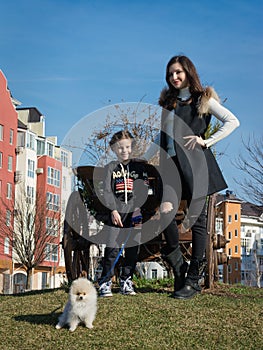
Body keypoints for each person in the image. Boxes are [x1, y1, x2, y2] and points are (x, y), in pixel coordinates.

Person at [145, 55, 240, 299]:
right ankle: (179, 267)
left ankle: (194, 280)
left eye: (178, 72)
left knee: (197, 222)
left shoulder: (203, 99)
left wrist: (206, 141)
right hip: (173, 168)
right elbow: (161, 136)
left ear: (188, 72)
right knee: (166, 213)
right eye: (170, 74)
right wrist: (145, 158)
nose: (174, 77)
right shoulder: (169, 103)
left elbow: (233, 121)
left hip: (198, 165)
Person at [98, 130, 148, 297]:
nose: (124, 151)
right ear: (114, 149)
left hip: (134, 213)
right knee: (112, 247)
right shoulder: (110, 168)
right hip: (116, 213)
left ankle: (126, 280)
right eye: (120, 148)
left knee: (133, 247)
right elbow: (106, 190)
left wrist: (138, 209)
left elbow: (142, 190)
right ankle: (105, 281)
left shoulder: (139, 168)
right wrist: (112, 209)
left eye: (127, 147)